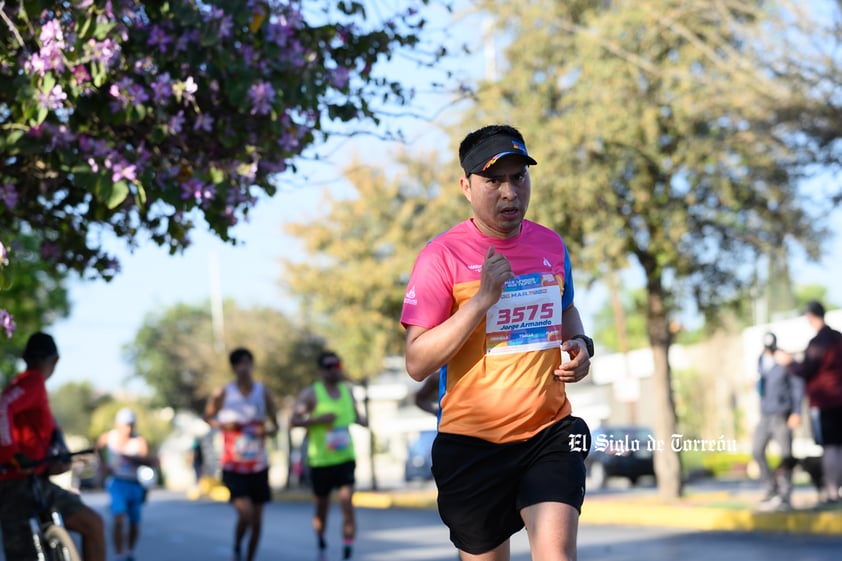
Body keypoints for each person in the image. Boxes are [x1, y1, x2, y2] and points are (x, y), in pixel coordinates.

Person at [400, 124, 593, 561]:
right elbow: (416, 362)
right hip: (472, 445)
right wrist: (481, 300)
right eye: (494, 180)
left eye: (519, 177)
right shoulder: (441, 256)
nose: (510, 192)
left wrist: (580, 343)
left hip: (548, 432)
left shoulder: (550, 244)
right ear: (466, 186)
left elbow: (566, 310)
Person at [0, 332, 106, 561]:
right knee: (93, 525)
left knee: (93, 524)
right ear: (54, 360)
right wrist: (11, 455)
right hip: (15, 485)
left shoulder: (25, 385)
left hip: (34, 481)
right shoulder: (32, 381)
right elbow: (2, 407)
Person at [290, 351, 369, 560]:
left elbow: (358, 417)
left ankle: (347, 549)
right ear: (321, 370)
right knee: (321, 509)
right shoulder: (311, 394)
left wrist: (363, 420)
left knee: (347, 504)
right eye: (329, 366)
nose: (334, 369)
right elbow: (293, 421)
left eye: (337, 365)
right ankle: (321, 538)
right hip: (320, 461)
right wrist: (317, 420)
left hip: (345, 458)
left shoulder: (347, 391)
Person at [204, 348, 280, 561]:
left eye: (248, 362)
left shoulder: (263, 393)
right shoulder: (222, 394)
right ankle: (237, 546)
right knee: (245, 514)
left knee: (257, 522)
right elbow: (207, 417)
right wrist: (222, 425)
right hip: (233, 466)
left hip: (258, 466)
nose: (244, 367)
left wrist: (264, 430)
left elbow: (276, 426)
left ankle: (249, 557)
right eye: (240, 363)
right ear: (234, 367)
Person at [776, 301, 842, 504]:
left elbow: (806, 370)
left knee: (830, 446)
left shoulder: (819, 342)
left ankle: (832, 492)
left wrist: (790, 363)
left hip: (825, 402)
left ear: (811, 317)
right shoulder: (838, 337)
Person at [752, 332, 804, 511]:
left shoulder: (785, 361)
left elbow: (797, 386)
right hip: (765, 415)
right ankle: (770, 489)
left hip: (782, 414)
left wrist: (796, 411)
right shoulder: (760, 360)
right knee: (757, 450)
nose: (769, 352)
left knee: (786, 455)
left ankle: (785, 495)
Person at [96, 407, 153, 561]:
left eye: (130, 425)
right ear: (117, 424)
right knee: (119, 518)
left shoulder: (139, 441)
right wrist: (102, 464)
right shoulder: (109, 437)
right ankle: (119, 554)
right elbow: (98, 448)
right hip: (117, 482)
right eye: (124, 425)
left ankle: (130, 552)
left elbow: (148, 460)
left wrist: (132, 458)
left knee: (134, 523)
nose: (127, 429)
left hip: (134, 484)